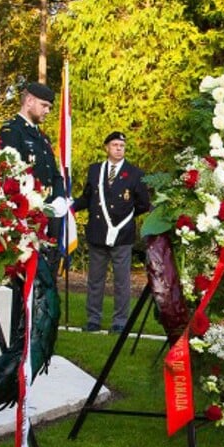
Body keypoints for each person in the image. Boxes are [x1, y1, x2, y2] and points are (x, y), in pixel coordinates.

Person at [79, 131, 150, 333]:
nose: (119, 148)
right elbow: (87, 198)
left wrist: (124, 219)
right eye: (115, 145)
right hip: (98, 231)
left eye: (122, 145)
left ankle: (120, 322)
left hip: (122, 235)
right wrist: (70, 207)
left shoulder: (135, 173)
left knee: (121, 281)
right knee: (95, 280)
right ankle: (93, 319)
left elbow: (143, 204)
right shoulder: (95, 171)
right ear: (107, 148)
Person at [0, 82, 66, 249]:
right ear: (29, 101)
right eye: (44, 105)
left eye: (49, 107)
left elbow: (53, 173)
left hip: (48, 213)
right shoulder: (12, 131)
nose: (48, 111)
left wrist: (59, 198)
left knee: (49, 268)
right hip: (26, 215)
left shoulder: (42, 137)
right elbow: (11, 175)